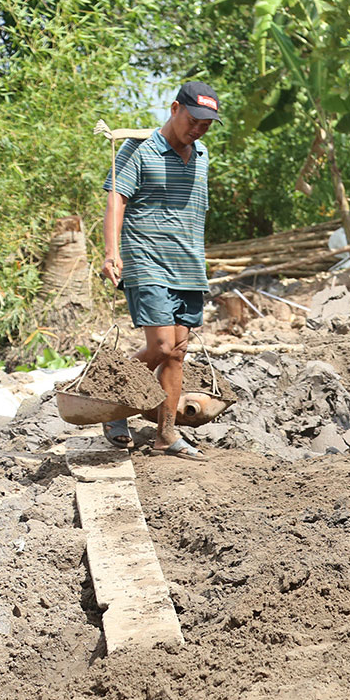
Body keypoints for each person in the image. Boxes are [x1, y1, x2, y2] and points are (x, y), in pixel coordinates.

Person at [100, 81, 220, 461]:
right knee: (161, 345)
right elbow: (116, 200)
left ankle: (166, 435)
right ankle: (107, 397)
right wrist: (110, 252)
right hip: (145, 258)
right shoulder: (138, 149)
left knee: (177, 353)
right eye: (193, 120)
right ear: (174, 109)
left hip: (188, 265)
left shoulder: (201, 154)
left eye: (207, 124)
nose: (199, 129)